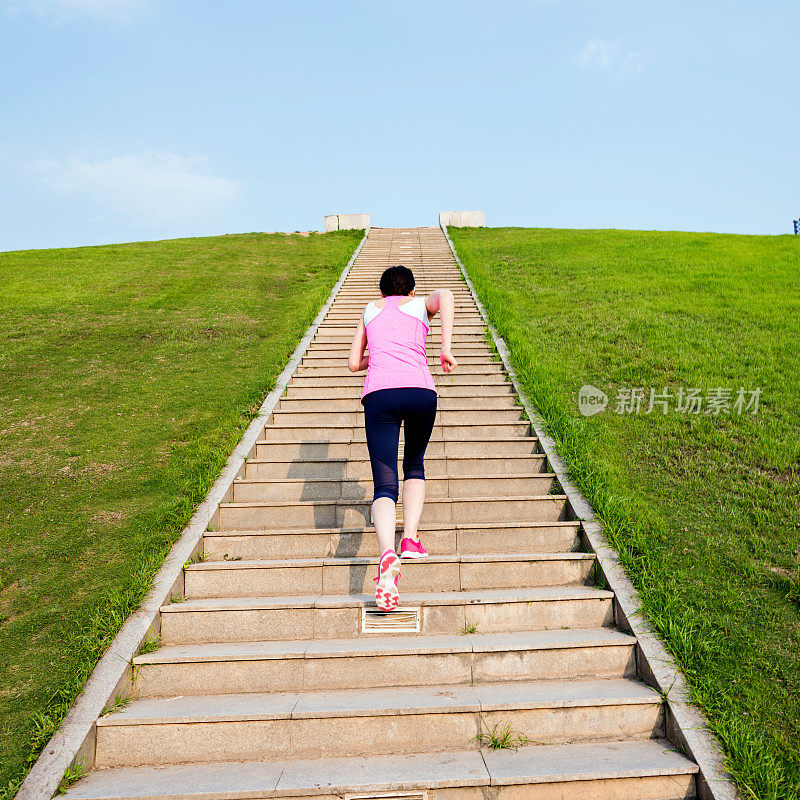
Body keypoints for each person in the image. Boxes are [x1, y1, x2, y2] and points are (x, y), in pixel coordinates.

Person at [348, 265, 457, 611]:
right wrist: (444, 347)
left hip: (379, 395)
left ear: (382, 293)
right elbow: (449, 296)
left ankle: (386, 554)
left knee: (383, 485)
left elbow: (353, 363)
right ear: (411, 291)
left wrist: (379, 355)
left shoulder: (369, 310)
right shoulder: (421, 306)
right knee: (414, 463)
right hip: (420, 391)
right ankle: (409, 538)